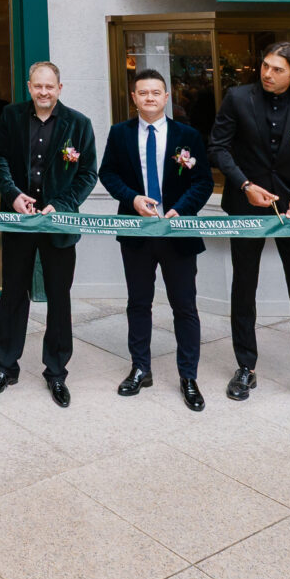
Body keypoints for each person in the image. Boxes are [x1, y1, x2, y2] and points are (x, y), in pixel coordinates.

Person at [209, 41, 290, 418]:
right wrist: (244, 185)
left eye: (277, 69)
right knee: (243, 285)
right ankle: (245, 367)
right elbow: (218, 148)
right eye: (265, 66)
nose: (267, 73)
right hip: (244, 203)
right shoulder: (236, 98)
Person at [97, 68, 212, 411]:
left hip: (177, 232)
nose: (149, 97)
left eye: (155, 92)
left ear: (166, 97)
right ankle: (140, 368)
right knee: (138, 302)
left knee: (185, 306)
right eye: (142, 92)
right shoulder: (120, 134)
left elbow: (203, 182)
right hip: (137, 231)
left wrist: (180, 209)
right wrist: (132, 199)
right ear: (133, 97)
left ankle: (188, 376)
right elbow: (108, 173)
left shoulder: (187, 134)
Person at [0, 60, 98, 408]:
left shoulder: (79, 124)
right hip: (19, 222)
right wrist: (13, 195)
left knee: (58, 298)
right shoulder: (12, 116)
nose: (44, 92)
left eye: (50, 86)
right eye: (38, 86)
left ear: (59, 88)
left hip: (58, 225)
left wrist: (61, 206)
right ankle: (6, 366)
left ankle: (56, 371)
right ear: (30, 87)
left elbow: (87, 174)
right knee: (12, 294)